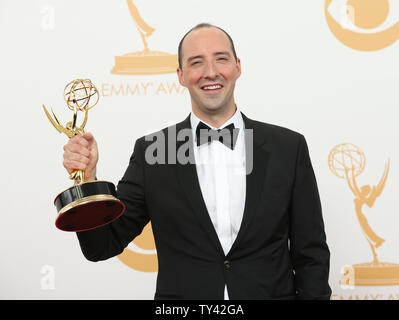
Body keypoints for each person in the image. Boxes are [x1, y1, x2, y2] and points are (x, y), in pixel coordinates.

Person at [63, 23, 332, 300]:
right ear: (181, 75)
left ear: (238, 67)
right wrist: (89, 181)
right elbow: (103, 245)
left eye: (221, 59)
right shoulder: (153, 152)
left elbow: (311, 253)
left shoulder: (287, 147)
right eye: (196, 62)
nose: (211, 72)